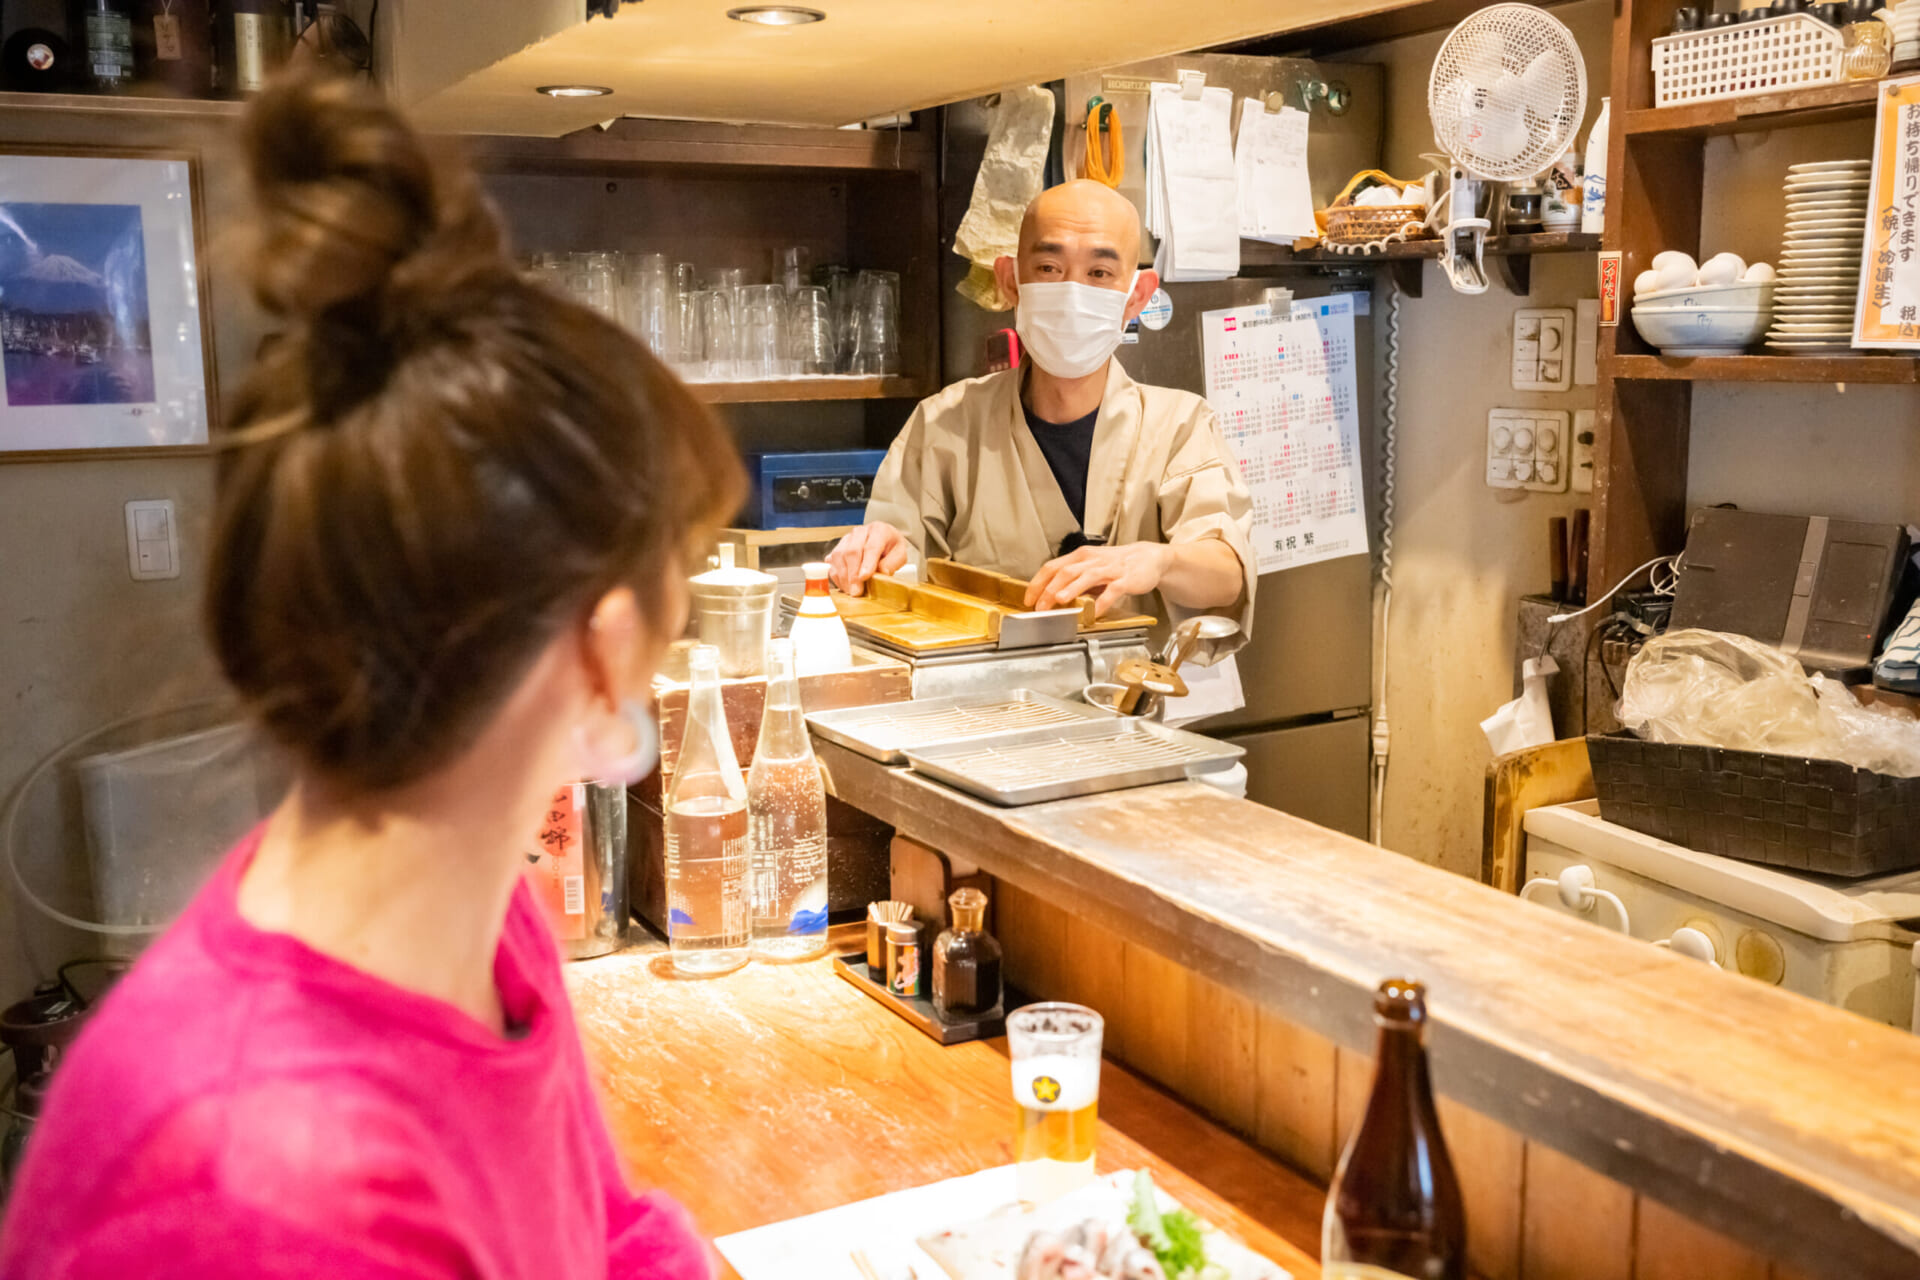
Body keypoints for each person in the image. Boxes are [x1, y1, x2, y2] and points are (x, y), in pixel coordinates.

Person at [0, 72, 743, 1280]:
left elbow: (598, 1230)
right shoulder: (242, 1187)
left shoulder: (480, 918)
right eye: (685, 576)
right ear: (604, 648)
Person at [827, 179, 1255, 629]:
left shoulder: (1180, 426)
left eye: (1099, 273)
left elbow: (1227, 572)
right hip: (982, 694)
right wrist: (879, 549)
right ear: (1011, 281)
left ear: (1137, 296)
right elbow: (898, 558)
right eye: (1050, 268)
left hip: (1130, 693)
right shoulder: (945, 424)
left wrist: (1159, 562)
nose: (1073, 291)